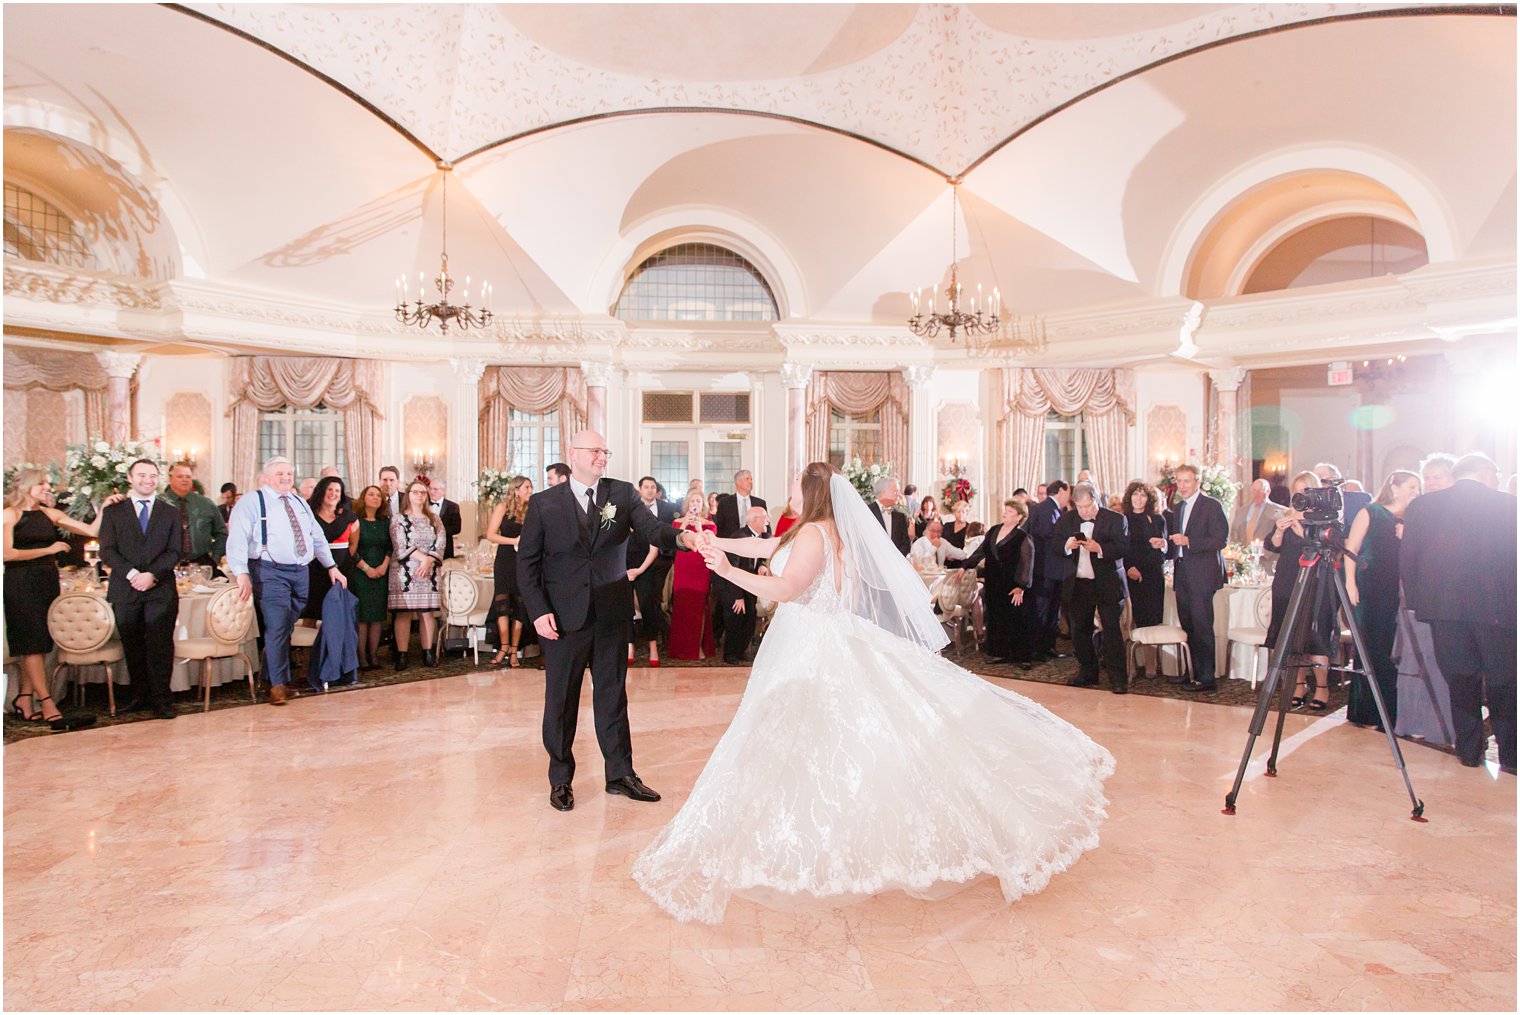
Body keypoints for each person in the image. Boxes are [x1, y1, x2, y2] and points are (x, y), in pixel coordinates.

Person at [631, 463, 1114, 924]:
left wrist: (725, 570)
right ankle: (814, 823)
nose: (791, 493)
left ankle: (826, 831)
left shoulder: (818, 535)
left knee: (809, 734)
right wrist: (715, 541)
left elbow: (785, 587)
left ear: (812, 492)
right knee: (808, 737)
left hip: (811, 644)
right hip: (811, 639)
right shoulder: (810, 530)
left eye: (798, 487)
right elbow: (767, 547)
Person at [516, 430, 699, 812]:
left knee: (612, 696)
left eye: (605, 451)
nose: (603, 457)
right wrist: (538, 611)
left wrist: (682, 539)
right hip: (562, 619)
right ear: (574, 454)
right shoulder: (544, 503)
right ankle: (560, 779)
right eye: (596, 451)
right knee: (561, 701)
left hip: (611, 615)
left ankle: (620, 774)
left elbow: (652, 530)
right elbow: (527, 564)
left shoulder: (621, 493)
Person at [1401, 452, 1516, 773]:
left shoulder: (1423, 507)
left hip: (1444, 609)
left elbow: (1409, 558)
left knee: (1460, 679)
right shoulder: (1508, 505)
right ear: (1485, 473)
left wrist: (1417, 601)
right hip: (1499, 609)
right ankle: (1511, 755)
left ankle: (1469, 750)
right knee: (1504, 681)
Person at [226, 456, 347, 706]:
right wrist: (241, 572)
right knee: (278, 624)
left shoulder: (299, 502)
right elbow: (236, 539)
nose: (286, 478)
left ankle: (268, 679)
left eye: (289, 474)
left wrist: (332, 566)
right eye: (280, 473)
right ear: (267, 477)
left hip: (300, 571)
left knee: (285, 626)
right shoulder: (251, 502)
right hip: (269, 571)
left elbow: (316, 536)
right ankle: (278, 685)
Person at [3, 468, 116, 729]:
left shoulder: (49, 514)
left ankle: (24, 698)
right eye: (41, 484)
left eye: (47, 484)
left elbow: (90, 529)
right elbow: (7, 554)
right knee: (31, 643)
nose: (47, 488)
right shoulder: (9, 514)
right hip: (20, 582)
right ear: (24, 486)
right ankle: (47, 701)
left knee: (41, 642)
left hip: (46, 581)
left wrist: (104, 509)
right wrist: (49, 549)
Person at [98, 460, 182, 721]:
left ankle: (162, 699)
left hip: (161, 589)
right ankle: (139, 696)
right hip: (126, 588)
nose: (148, 480)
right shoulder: (114, 511)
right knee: (132, 646)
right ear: (130, 478)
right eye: (142, 475)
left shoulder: (170, 512)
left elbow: (175, 550)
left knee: (160, 645)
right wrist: (134, 574)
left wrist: (152, 575)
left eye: (153, 475)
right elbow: (107, 550)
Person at [1344, 470, 1421, 730]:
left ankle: (1393, 712)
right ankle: (1367, 711)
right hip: (1372, 587)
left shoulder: (1414, 518)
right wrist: (1350, 583)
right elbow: (1351, 550)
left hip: (1401, 590)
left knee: (1397, 651)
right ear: (1395, 487)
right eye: (1411, 486)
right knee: (1373, 648)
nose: (1416, 492)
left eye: (1417, 487)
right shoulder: (1372, 512)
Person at [1263, 472, 1341, 711]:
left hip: (1315, 583)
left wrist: (1301, 532)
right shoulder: (1287, 515)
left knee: (1315, 638)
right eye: (1297, 491)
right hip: (1287, 582)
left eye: (1306, 490)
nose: (1301, 496)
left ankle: (1321, 687)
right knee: (1292, 638)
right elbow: (1271, 546)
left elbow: (1331, 549)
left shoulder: (1325, 519)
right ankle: (1298, 685)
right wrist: (1279, 531)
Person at [1055, 483, 1130, 693]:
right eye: (1080, 507)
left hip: (1107, 583)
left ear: (1097, 500)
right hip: (1079, 584)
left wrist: (1100, 548)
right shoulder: (1067, 519)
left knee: (1112, 631)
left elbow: (1124, 547)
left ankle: (1118, 679)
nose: (1084, 511)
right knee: (1080, 631)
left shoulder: (1116, 519)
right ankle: (1088, 673)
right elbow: (1054, 545)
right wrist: (1067, 547)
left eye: (1088, 506)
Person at [1164, 463, 1229, 692]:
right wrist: (1165, 544)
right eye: (1179, 481)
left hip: (1202, 576)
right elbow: (1177, 544)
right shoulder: (1179, 508)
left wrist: (1189, 541)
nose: (1181, 486)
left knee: (1202, 626)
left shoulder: (1211, 506)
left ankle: (1206, 677)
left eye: (1186, 481)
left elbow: (1220, 540)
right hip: (1182, 575)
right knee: (1188, 625)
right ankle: (1190, 672)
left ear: (1197, 482)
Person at [947, 498, 1034, 667]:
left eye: (1009, 511)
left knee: (1015, 619)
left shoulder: (1023, 537)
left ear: (1019, 516)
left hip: (1012, 584)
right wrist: (965, 566)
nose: (1004, 513)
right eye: (1005, 510)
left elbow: (1027, 563)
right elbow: (980, 552)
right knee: (996, 617)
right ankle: (999, 652)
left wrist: (1021, 587)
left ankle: (1021, 656)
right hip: (994, 581)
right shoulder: (994, 530)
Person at [389, 477, 445, 670]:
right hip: (405, 572)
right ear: (408, 496)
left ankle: (428, 652)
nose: (420, 495)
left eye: (423, 492)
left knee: (427, 613)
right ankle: (402, 655)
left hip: (429, 573)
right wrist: (422, 559)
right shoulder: (399, 519)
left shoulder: (434, 518)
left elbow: (441, 542)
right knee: (404, 614)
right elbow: (400, 544)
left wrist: (429, 560)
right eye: (416, 492)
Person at [625, 475, 678, 668]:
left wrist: (638, 570)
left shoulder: (646, 517)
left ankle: (653, 647)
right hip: (623, 569)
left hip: (645, 567)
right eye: (644, 487)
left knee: (649, 606)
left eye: (652, 487)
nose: (648, 490)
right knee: (625, 608)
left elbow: (654, 547)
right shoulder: (624, 514)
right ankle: (629, 645)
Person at [485, 475, 533, 669]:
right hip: (505, 560)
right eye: (527, 487)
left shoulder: (532, 510)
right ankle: (503, 647)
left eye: (531, 487)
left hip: (525, 561)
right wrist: (514, 541)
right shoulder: (502, 508)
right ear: (516, 490)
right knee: (503, 604)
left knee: (521, 606)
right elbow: (490, 535)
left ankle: (515, 650)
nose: (530, 491)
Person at [1121, 481, 1168, 675]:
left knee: (1151, 621)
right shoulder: (1122, 519)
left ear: (1149, 499)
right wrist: (1130, 567)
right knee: (1129, 621)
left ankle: (1151, 666)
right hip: (1130, 574)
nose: (1138, 499)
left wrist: (1163, 544)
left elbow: (1165, 549)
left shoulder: (1158, 519)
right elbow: (1122, 548)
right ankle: (1129, 666)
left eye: (1142, 495)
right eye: (1135, 495)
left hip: (1153, 576)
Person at [715, 505, 771, 664]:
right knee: (735, 620)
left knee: (749, 619)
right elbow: (731, 569)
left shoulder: (763, 536)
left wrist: (762, 565)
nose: (767, 521)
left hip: (749, 586)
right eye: (764, 517)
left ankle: (740, 651)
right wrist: (737, 597)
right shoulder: (739, 537)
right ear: (754, 520)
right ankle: (730, 654)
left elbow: (760, 557)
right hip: (732, 587)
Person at [668, 491, 717, 660]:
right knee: (682, 606)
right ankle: (681, 648)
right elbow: (671, 541)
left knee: (698, 607)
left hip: (700, 567)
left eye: (698, 501)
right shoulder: (677, 522)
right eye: (692, 501)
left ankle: (697, 647)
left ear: (703, 505)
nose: (695, 503)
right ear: (687, 504)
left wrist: (698, 528)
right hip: (683, 565)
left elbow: (710, 544)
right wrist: (684, 526)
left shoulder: (709, 524)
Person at [346, 485, 391, 671]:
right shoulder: (355, 521)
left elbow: (390, 546)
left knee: (377, 616)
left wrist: (384, 566)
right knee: (363, 617)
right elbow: (350, 549)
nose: (375, 498)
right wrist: (366, 568)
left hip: (381, 571)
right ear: (363, 498)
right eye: (371, 494)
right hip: (360, 573)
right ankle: (361, 656)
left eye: (378, 496)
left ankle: (374, 654)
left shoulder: (385, 522)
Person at [301, 476, 353, 622]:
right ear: (322, 491)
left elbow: (353, 545)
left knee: (337, 615)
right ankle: (308, 645)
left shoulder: (347, 516)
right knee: (311, 613)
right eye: (330, 489)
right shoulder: (308, 514)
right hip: (314, 570)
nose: (333, 493)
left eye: (337, 490)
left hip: (342, 568)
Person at [1029, 479, 1071, 661]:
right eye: (1068, 492)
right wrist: (1068, 541)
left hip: (1050, 569)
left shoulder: (1049, 508)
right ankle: (1040, 649)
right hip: (1047, 570)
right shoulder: (1047, 509)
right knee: (1045, 610)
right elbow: (1049, 537)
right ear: (1061, 490)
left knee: (1051, 610)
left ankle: (1047, 647)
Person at [161, 461, 228, 571]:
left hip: (202, 564)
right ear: (170, 479)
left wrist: (214, 558)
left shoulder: (206, 504)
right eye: (180, 476)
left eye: (188, 476)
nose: (185, 479)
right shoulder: (159, 504)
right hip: (167, 566)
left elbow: (222, 534)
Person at [1229, 478, 1287, 574]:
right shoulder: (1241, 511)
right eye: (1254, 490)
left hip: (1267, 563)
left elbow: (1282, 538)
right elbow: (1234, 534)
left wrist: (1260, 554)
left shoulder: (1279, 511)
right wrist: (1239, 554)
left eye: (1260, 490)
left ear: (1268, 491)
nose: (1256, 494)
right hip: (1243, 563)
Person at [1314, 461, 1370, 531]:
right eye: (1315, 478)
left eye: (1321, 476)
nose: (1318, 481)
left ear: (1335, 478)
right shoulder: (1312, 503)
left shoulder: (1354, 495)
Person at [713, 469, 767, 539]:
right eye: (747, 479)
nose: (750, 482)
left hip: (756, 544)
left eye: (751, 479)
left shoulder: (760, 503)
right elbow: (719, 527)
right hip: (732, 543)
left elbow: (766, 527)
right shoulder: (725, 503)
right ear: (738, 482)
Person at [867, 475, 911, 556]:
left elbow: (906, 543)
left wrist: (896, 559)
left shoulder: (900, 516)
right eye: (895, 491)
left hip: (896, 564)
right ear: (884, 492)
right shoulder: (867, 512)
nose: (899, 494)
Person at [428, 478, 463, 560]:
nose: (432, 492)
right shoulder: (422, 505)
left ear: (443, 491)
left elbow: (457, 528)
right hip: (425, 549)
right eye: (430, 488)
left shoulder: (453, 507)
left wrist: (437, 530)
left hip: (445, 549)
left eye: (435, 489)